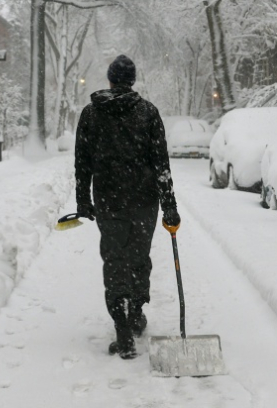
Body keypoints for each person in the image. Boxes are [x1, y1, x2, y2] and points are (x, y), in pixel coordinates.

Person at [75, 54, 181, 360]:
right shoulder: (148, 113)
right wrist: (169, 205)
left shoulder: (92, 114)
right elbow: (161, 164)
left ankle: (122, 326)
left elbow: (82, 162)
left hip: (109, 201)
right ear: (132, 81)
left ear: (110, 80)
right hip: (144, 201)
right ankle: (135, 312)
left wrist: (83, 198)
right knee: (138, 258)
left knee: (115, 260)